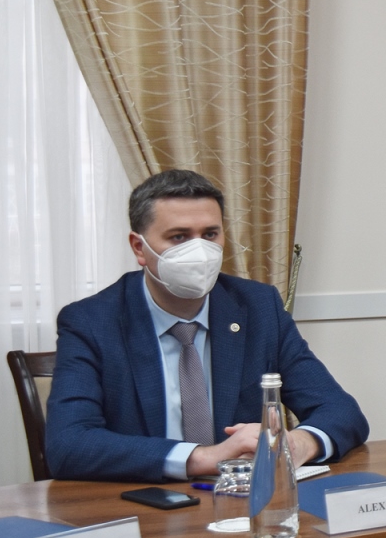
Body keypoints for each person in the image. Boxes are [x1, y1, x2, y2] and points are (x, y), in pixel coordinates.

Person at [46, 170, 369, 482]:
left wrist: (299, 444)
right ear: (139, 247)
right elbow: (68, 444)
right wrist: (204, 457)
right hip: (144, 501)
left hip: (241, 499)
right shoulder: (91, 321)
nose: (199, 251)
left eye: (210, 234)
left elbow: (340, 410)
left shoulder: (258, 307)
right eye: (179, 237)